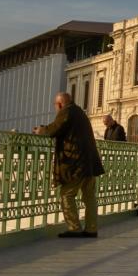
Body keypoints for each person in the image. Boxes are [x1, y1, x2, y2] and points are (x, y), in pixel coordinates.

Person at [34, 92, 105, 238]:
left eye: (55, 105)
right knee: (89, 196)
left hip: (76, 163)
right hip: (90, 162)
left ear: (60, 104)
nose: (56, 108)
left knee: (66, 194)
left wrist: (41, 130)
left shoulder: (66, 111)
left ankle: (74, 228)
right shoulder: (79, 112)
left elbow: (55, 128)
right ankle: (91, 228)